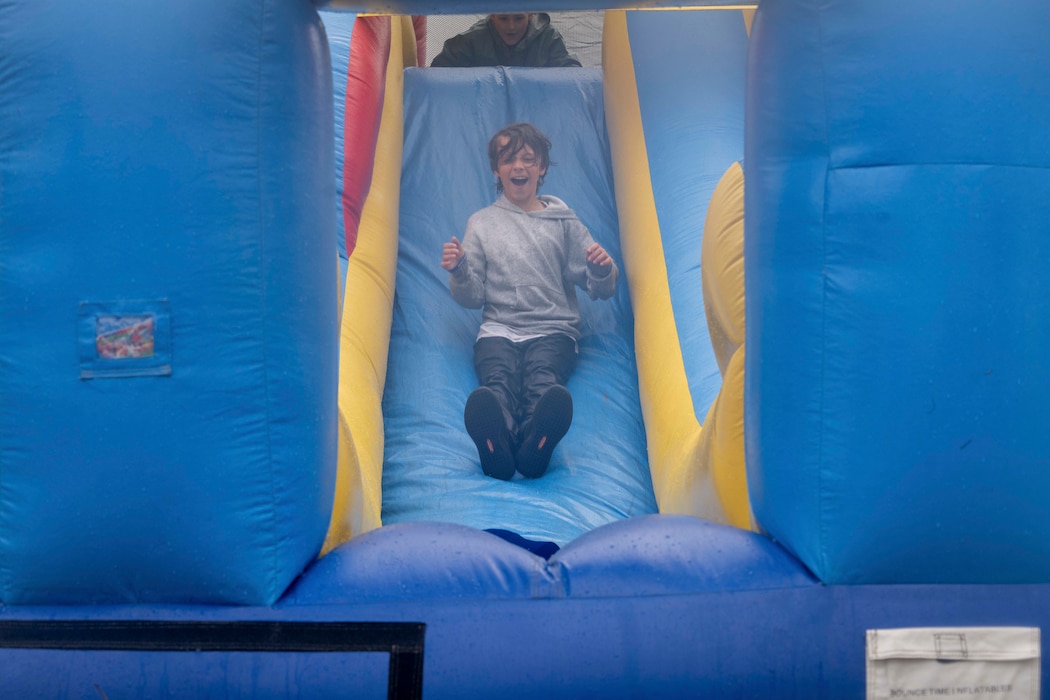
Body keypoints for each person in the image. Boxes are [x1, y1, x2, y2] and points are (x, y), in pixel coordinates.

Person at [441, 123, 618, 480]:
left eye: (528, 159)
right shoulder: (482, 223)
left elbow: (600, 286)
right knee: (497, 381)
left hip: (553, 330)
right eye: (508, 160)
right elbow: (472, 296)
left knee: (543, 380)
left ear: (542, 168)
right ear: (496, 170)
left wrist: (601, 269)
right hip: (498, 330)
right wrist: (460, 270)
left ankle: (537, 443)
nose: (518, 167)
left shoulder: (562, 221)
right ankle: (499, 444)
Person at [430, 13, 582, 68]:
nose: (511, 26)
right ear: (493, 15)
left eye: (518, 18)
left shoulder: (548, 38)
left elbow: (570, 73)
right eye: (503, 18)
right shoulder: (473, 39)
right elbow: (440, 71)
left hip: (533, 111)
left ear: (531, 14)